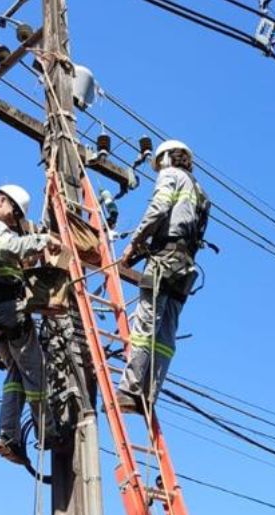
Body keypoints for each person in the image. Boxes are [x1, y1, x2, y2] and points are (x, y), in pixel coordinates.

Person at [0, 184, 61, 464]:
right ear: (2, 201)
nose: (13, 220)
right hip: (7, 310)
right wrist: (42, 240)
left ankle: (7, 436)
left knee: (16, 375)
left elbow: (6, 256)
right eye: (14, 212)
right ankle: (48, 432)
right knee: (36, 372)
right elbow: (7, 246)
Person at [116, 140, 210, 414]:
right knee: (166, 333)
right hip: (185, 266)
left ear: (167, 158)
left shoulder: (170, 175)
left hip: (163, 262)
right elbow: (181, 228)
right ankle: (149, 394)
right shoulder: (200, 191)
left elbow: (158, 210)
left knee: (145, 326)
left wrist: (134, 243)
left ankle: (130, 390)